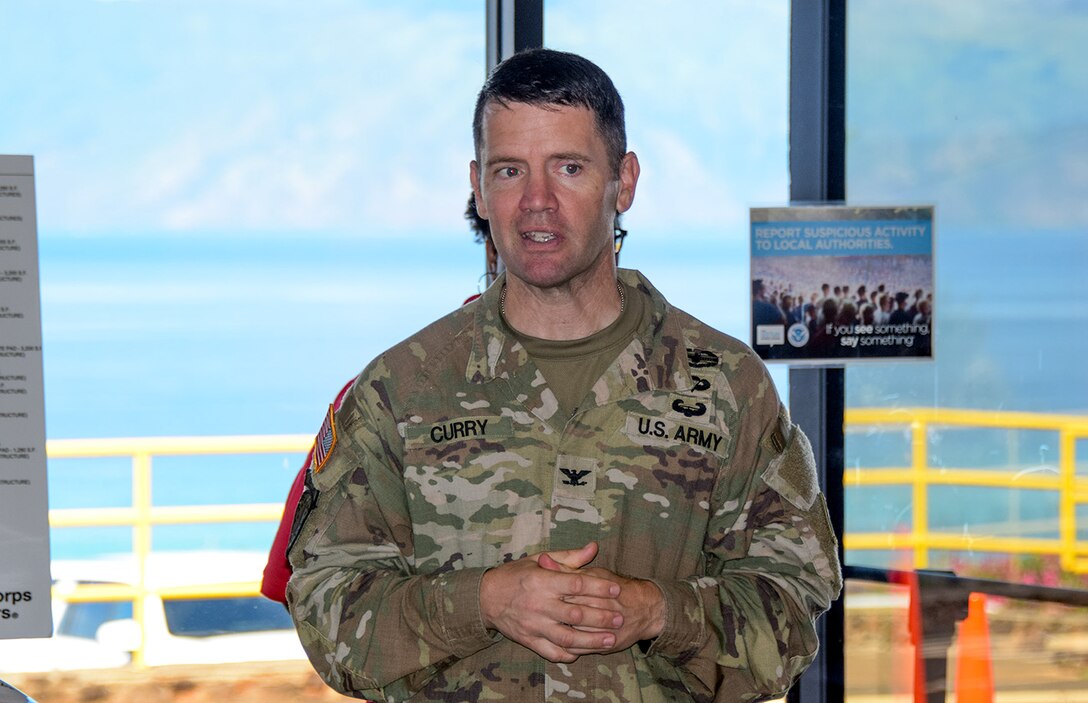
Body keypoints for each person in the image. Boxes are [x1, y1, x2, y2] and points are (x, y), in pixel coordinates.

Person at [286, 48, 841, 702]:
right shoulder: (400, 389)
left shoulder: (725, 384)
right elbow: (325, 608)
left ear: (624, 182)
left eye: (569, 168)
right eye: (510, 171)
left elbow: (794, 606)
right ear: (478, 187)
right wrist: (483, 600)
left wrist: (657, 611)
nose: (537, 202)